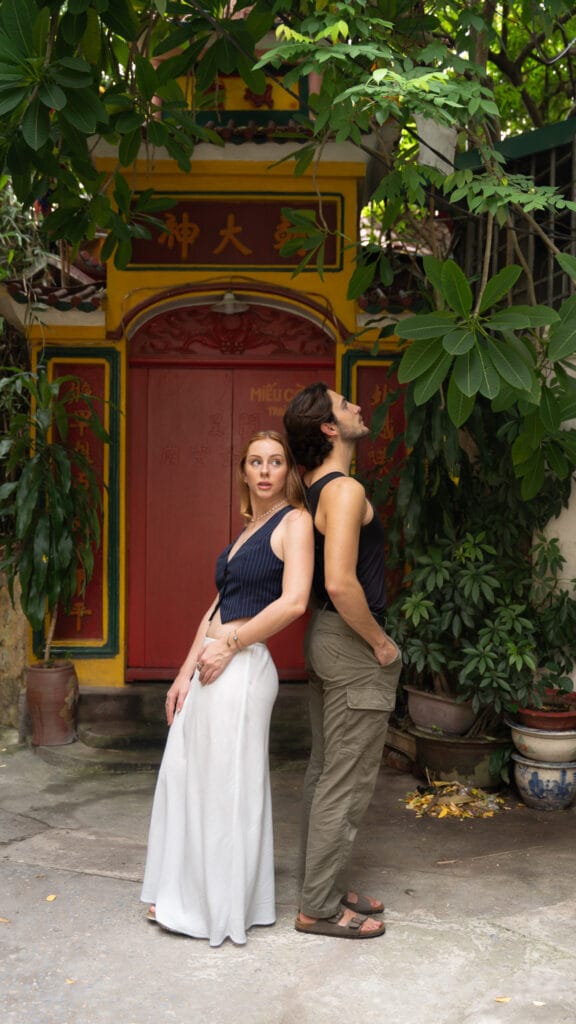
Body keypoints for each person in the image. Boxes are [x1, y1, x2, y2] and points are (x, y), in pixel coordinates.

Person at [140, 430, 313, 946]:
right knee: (188, 777)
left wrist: (230, 644)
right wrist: (183, 672)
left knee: (226, 786)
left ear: (288, 471)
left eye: (276, 461)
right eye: (255, 462)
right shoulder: (249, 528)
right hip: (213, 662)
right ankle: (188, 893)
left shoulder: (295, 522)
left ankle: (220, 907)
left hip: (242, 665)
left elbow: (294, 602)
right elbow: (216, 606)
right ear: (243, 471)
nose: (265, 470)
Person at [283, 382, 402, 940]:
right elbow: (339, 580)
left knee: (323, 772)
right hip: (351, 642)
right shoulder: (346, 489)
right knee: (345, 783)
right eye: (344, 404)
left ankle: (321, 886)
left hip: (323, 638)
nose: (357, 406)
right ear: (330, 429)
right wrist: (380, 643)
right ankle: (320, 908)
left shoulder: (311, 486)